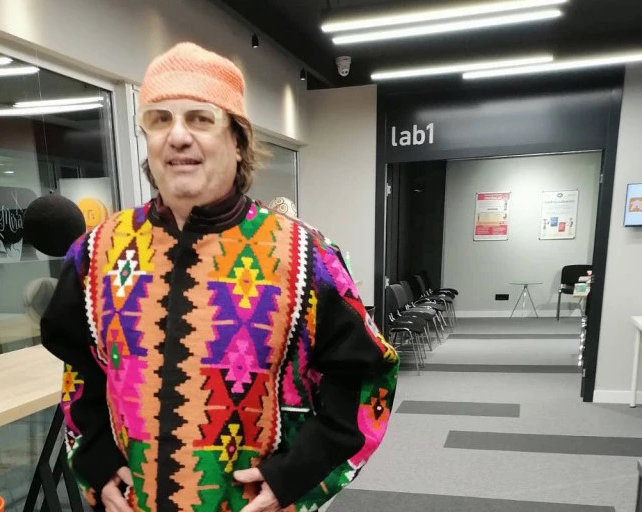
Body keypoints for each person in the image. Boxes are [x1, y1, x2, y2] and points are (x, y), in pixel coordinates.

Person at [41, 42, 398, 512]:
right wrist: (95, 461)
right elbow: (81, 370)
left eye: (200, 118)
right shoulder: (96, 254)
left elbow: (367, 378)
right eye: (160, 119)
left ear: (238, 140)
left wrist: (297, 475)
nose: (178, 136)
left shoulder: (304, 256)